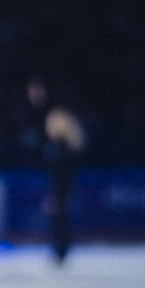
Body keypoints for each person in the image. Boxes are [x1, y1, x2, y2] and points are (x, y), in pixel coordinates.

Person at [43, 103, 86, 264]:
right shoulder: (56, 147)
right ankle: (60, 251)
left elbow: (64, 176)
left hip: (63, 190)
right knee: (58, 220)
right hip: (60, 190)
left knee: (60, 220)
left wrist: (57, 196)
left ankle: (61, 251)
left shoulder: (63, 148)